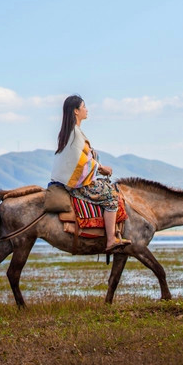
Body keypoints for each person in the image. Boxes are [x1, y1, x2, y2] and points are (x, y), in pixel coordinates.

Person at [51, 95, 130, 253]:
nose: (87, 110)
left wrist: (95, 161)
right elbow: (80, 162)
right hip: (77, 184)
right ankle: (111, 240)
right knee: (111, 197)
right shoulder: (75, 133)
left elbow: (83, 157)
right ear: (76, 111)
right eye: (84, 107)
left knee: (107, 187)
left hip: (72, 180)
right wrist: (101, 168)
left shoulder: (72, 132)